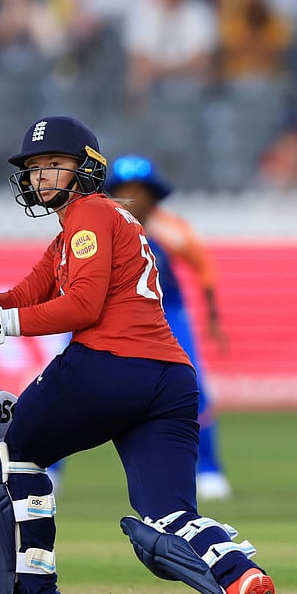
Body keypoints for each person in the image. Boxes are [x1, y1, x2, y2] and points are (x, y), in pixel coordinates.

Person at [0, 115, 274, 594]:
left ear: (87, 169)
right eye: (35, 168)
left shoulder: (88, 217)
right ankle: (239, 576)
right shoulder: (88, 224)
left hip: (111, 365)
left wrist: (0, 323)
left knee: (11, 448)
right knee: (166, 513)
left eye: (54, 166)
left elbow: (82, 306)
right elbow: (27, 295)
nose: (42, 177)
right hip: (171, 379)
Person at [103, 153, 234, 500]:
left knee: (192, 387)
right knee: (67, 381)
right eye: (124, 191)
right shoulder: (100, 226)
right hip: (108, 312)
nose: (133, 199)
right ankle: (49, 469)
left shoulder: (168, 228)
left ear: (153, 195)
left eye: (140, 191)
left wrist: (213, 318)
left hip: (168, 313)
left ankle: (208, 469)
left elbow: (204, 267)